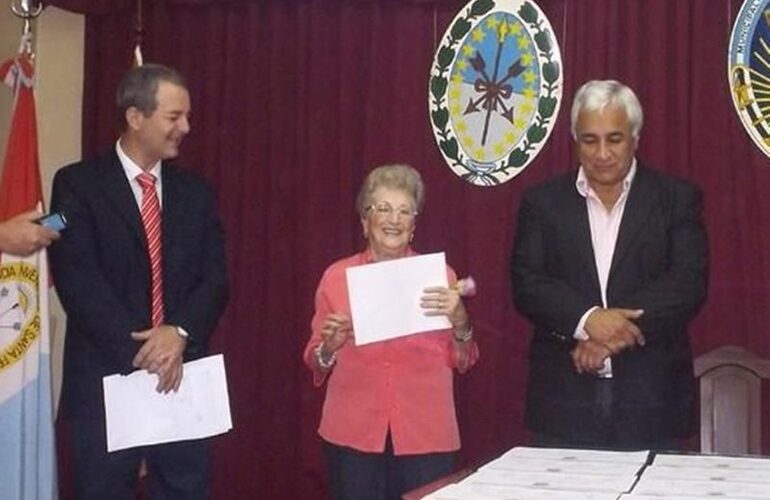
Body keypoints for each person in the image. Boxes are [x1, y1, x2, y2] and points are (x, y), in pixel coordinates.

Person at [49, 64, 229, 500]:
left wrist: (179, 334)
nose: (185, 127)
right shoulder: (78, 184)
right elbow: (79, 282)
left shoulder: (196, 193)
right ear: (135, 117)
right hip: (106, 384)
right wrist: (149, 350)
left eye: (186, 116)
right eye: (174, 117)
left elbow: (216, 280)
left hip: (181, 380)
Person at [511, 80, 708, 450]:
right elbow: (527, 284)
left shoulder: (677, 199)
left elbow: (687, 284)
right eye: (589, 140)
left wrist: (610, 336)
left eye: (614, 139)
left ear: (635, 137)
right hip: (563, 404)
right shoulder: (542, 202)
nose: (602, 153)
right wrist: (588, 320)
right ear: (574, 139)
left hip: (653, 401)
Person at [304, 164, 479, 500]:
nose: (393, 219)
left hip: (426, 436)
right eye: (382, 209)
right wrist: (329, 347)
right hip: (352, 436)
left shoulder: (440, 277)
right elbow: (315, 361)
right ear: (364, 222)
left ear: (414, 225)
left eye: (404, 211)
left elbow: (464, 361)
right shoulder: (336, 277)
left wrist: (461, 320)